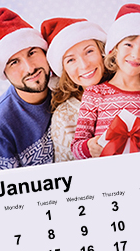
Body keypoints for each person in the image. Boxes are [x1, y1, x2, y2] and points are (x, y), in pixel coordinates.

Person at [71, 4, 140, 160]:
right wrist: (89, 148)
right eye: (128, 45)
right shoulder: (95, 94)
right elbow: (77, 147)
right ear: (114, 50)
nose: (136, 54)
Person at [0, 8, 53, 171]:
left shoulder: (67, 89)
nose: (30, 68)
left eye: (32, 52)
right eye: (14, 62)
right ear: (4, 72)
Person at [40, 17, 111, 162]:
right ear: (64, 70)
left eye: (89, 51)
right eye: (70, 60)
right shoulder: (64, 117)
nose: (84, 65)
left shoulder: (132, 89)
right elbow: (66, 172)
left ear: (102, 51)